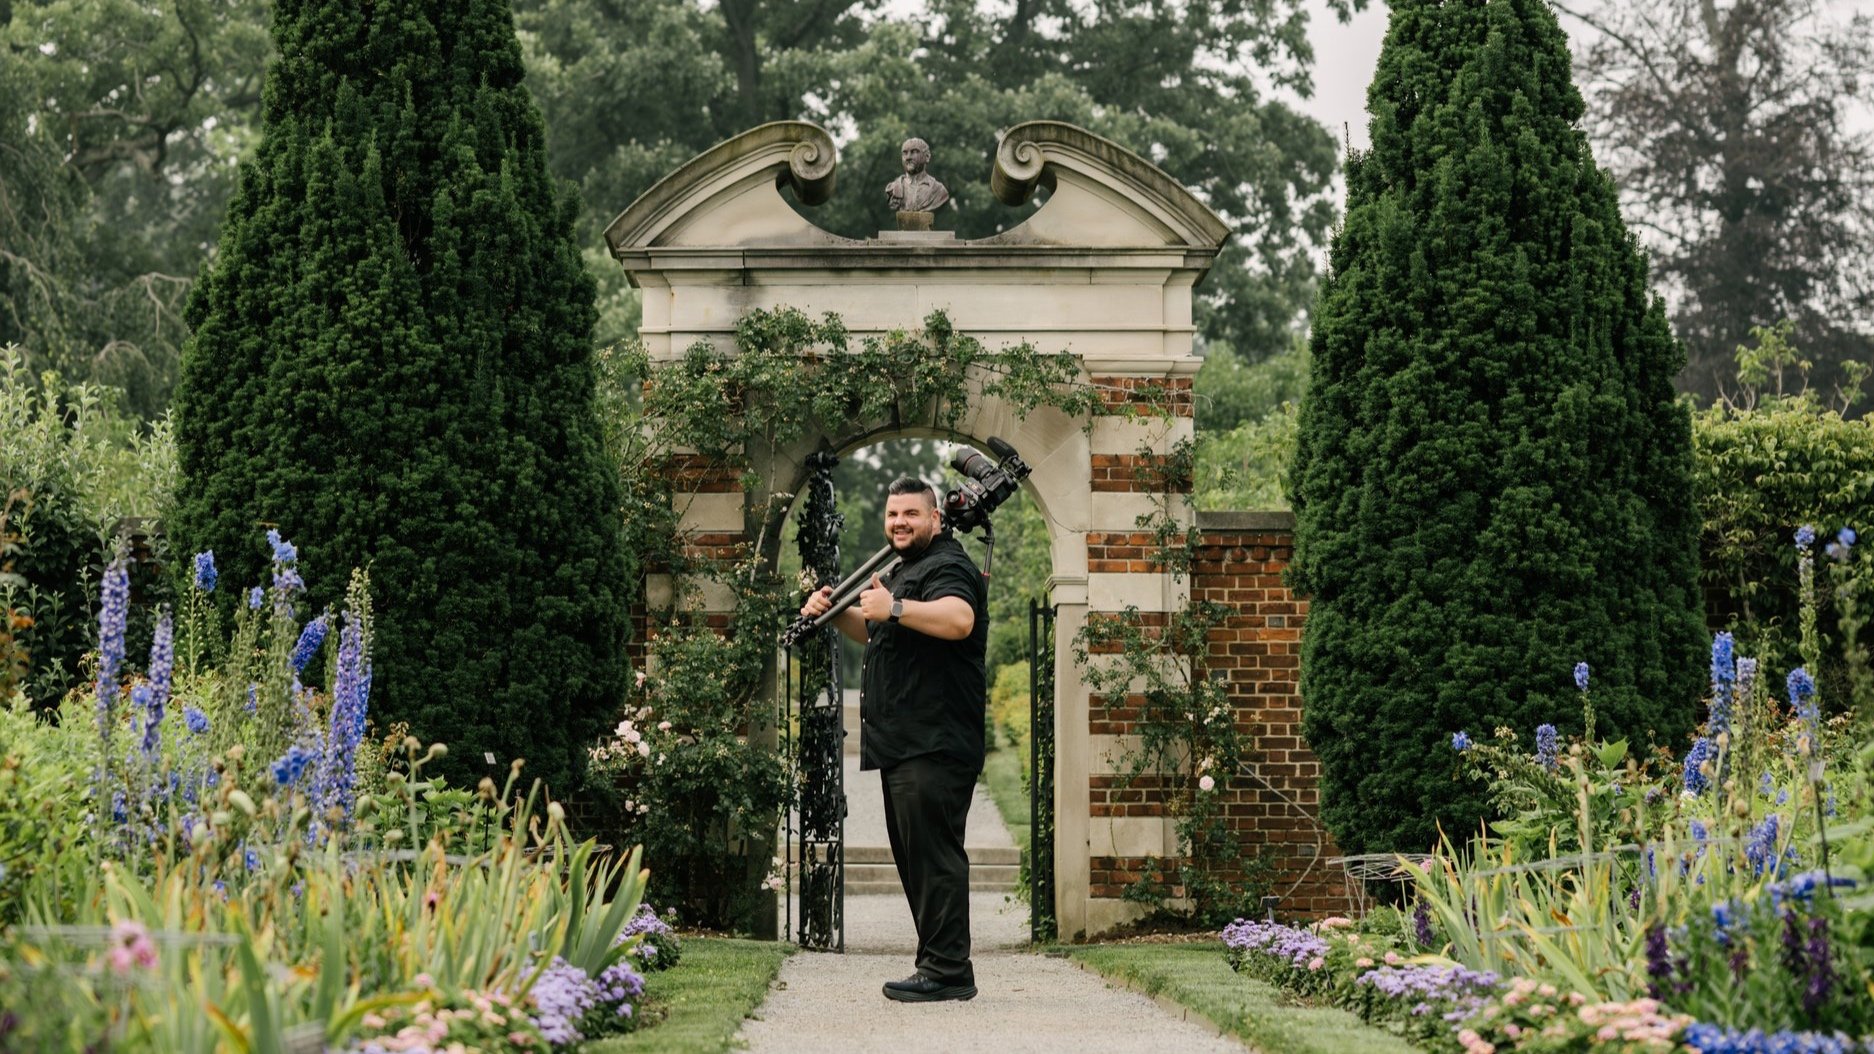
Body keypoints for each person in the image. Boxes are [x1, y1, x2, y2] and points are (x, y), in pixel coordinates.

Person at [798, 476, 987, 1003]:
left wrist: (897, 608)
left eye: (911, 513)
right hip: (906, 743)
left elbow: (959, 619)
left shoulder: (948, 565)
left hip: (936, 742)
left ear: (935, 519)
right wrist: (838, 614)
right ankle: (938, 964)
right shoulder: (907, 571)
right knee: (915, 857)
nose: (899, 522)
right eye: (893, 515)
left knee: (935, 857)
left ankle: (949, 971)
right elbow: (878, 630)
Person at [884, 137, 951, 213]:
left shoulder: (938, 190)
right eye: (905, 153)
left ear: (927, 157)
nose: (908, 157)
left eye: (914, 152)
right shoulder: (893, 189)